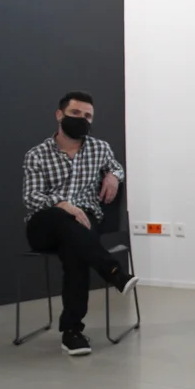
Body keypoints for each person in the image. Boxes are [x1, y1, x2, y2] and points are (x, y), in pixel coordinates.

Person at [23, 91, 138, 356]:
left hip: (83, 222)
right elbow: (31, 197)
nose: (82, 119)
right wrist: (63, 204)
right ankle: (113, 272)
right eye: (75, 113)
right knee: (61, 217)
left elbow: (117, 167)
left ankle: (72, 331)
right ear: (59, 115)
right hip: (44, 224)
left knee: (75, 250)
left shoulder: (99, 148)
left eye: (87, 116)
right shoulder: (37, 154)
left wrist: (114, 175)